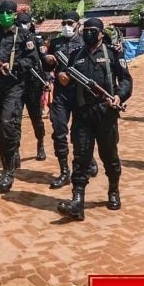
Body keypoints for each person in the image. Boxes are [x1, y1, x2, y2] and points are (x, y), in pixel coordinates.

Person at [56, 18, 133, 221]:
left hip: (105, 114)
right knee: (80, 158)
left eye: (92, 31)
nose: (88, 34)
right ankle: (77, 201)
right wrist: (63, 78)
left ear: (100, 33)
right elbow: (66, 78)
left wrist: (118, 96)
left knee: (109, 156)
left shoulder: (113, 53)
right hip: (82, 114)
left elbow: (125, 79)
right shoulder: (76, 55)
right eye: (86, 30)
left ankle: (113, 190)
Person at [0, 0, 38, 193]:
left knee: (7, 123)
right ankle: (4, 162)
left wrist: (12, 67)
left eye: (8, 12)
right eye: (2, 12)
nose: (4, 15)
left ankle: (9, 168)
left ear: (14, 15)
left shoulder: (24, 35)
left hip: (14, 86)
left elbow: (32, 59)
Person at [41, 11, 99, 190]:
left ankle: (88, 160)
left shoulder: (84, 42)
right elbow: (47, 67)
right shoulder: (56, 43)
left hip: (80, 95)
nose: (66, 26)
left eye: (70, 22)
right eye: (63, 22)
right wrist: (49, 63)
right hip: (60, 95)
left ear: (77, 24)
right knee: (59, 131)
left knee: (80, 133)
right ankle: (64, 171)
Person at [16, 12, 47, 161]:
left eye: (24, 23)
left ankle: (40, 143)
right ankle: (14, 151)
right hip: (17, 83)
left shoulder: (37, 41)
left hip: (34, 83)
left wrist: (46, 80)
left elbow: (45, 61)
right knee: (15, 119)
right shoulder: (13, 40)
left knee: (36, 118)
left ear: (30, 24)